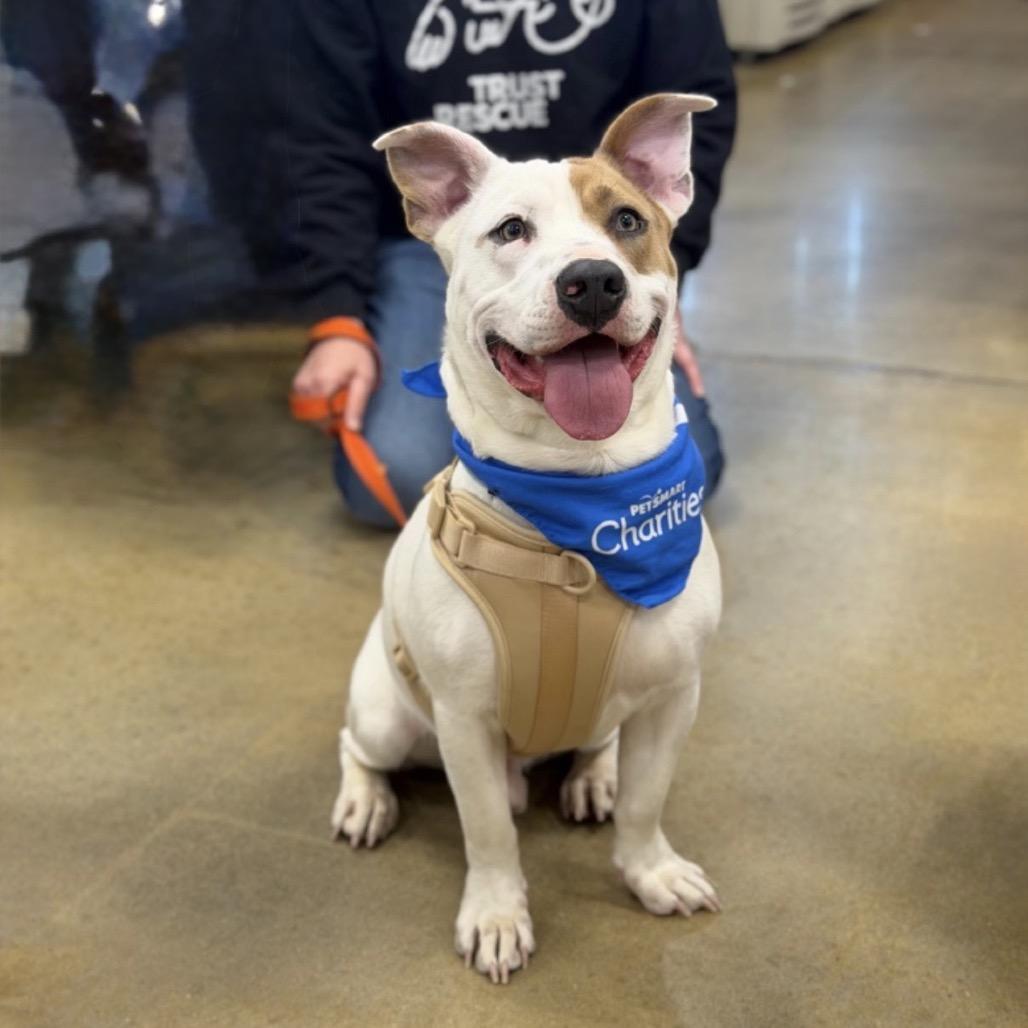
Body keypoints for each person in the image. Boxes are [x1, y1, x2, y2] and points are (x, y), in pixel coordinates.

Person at [261, 3, 738, 525]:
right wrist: (338, 314)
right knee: (393, 476)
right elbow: (324, 140)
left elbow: (697, 109)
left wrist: (662, 286)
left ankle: (590, 230)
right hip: (461, 248)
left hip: (619, 258)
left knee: (692, 473)